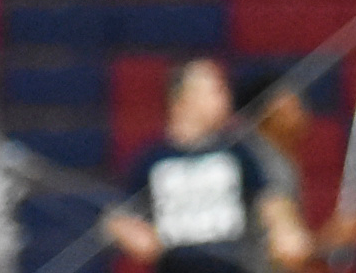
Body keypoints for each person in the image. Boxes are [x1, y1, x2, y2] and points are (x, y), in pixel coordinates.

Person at [108, 58, 311, 273]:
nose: (225, 98)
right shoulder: (152, 159)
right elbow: (120, 215)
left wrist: (286, 230)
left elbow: (270, 198)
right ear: (182, 99)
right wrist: (130, 232)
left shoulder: (238, 152)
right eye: (215, 90)